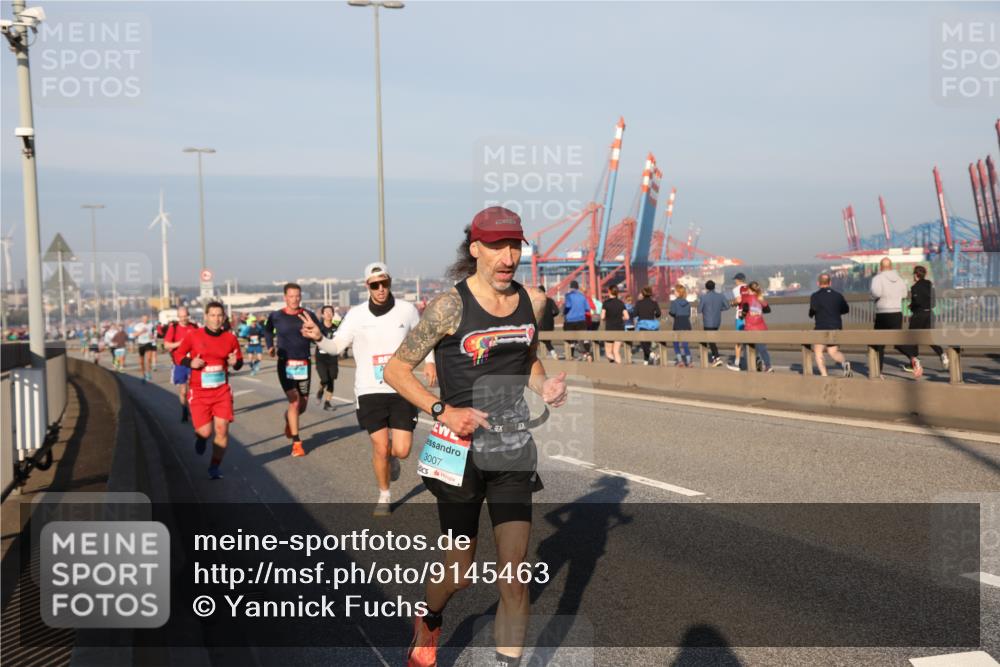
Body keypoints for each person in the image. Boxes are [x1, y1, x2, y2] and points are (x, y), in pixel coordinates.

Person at [382, 206, 567, 667]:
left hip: (511, 450)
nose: (508, 257)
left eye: (515, 246)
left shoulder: (531, 302)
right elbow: (396, 370)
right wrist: (443, 410)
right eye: (498, 246)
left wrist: (544, 385)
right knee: (459, 573)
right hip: (459, 454)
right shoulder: (450, 306)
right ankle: (430, 618)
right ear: (476, 248)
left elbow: (527, 358)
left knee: (514, 577)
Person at [301, 263, 434, 515]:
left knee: (402, 450)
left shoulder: (407, 310)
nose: (381, 288)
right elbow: (336, 347)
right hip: (369, 390)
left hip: (401, 388)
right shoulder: (356, 314)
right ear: (367, 286)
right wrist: (319, 337)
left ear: (390, 282)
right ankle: (384, 495)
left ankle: (391, 459)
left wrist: (430, 362)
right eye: (375, 285)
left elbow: (424, 337)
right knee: (380, 447)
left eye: (385, 283)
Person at [172, 301, 243, 479]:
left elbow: (238, 361)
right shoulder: (194, 335)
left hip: (221, 391)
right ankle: (201, 438)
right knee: (205, 432)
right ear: (205, 316)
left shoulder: (230, 338)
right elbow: (178, 355)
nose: (216, 319)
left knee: (222, 429)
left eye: (219, 315)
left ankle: (214, 467)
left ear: (224, 317)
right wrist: (190, 362)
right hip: (199, 392)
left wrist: (236, 363)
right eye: (212, 315)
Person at [265, 283, 321, 458]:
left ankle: (290, 419)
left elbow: (320, 334)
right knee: (294, 402)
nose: (295, 299)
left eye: (298, 296)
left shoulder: (308, 315)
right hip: (285, 364)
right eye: (291, 296)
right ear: (285, 297)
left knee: (302, 405)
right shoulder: (276, 316)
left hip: (304, 363)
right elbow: (267, 331)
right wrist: (270, 346)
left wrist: (312, 334)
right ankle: (297, 443)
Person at [870, 257, 921, 378]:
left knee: (879, 344)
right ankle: (913, 357)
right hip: (897, 313)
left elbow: (876, 293)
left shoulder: (878, 278)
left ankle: (879, 372)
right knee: (897, 341)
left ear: (881, 267)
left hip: (883, 313)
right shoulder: (899, 279)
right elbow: (904, 294)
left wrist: (874, 297)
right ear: (891, 266)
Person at [808, 273, 852, 377]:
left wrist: (811, 314)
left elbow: (813, 310)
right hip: (835, 327)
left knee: (818, 351)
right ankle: (845, 363)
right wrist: (836, 311)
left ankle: (824, 375)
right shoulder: (838, 295)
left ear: (818, 283)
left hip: (821, 327)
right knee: (833, 352)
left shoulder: (815, 296)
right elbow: (846, 309)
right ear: (830, 283)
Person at [907, 265, 948, 371]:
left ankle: (915, 364)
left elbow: (917, 302)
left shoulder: (914, 287)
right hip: (930, 314)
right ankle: (942, 354)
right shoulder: (930, 285)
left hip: (919, 315)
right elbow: (933, 303)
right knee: (929, 338)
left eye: (914, 274)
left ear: (916, 275)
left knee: (912, 338)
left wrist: (911, 306)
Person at [163, 307, 200, 422]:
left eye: (185, 316)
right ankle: (184, 409)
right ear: (178, 317)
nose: (184, 319)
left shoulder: (194, 327)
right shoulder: (173, 328)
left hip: (193, 362)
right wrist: (181, 343)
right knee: (183, 390)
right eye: (181, 317)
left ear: (188, 315)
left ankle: (194, 410)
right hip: (179, 362)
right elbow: (166, 345)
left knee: (194, 388)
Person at [732, 281, 773, 372]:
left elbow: (744, 311)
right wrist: (758, 311)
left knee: (747, 348)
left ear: (750, 289)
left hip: (750, 328)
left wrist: (742, 315)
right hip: (762, 327)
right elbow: (768, 310)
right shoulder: (760, 298)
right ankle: (768, 366)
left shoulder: (746, 299)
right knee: (762, 349)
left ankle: (747, 367)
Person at [313, 305, 340, 411]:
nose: (328, 314)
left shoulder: (336, 328)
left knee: (331, 380)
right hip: (321, 358)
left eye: (330, 312)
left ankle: (327, 403)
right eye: (326, 312)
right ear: (323, 315)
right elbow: (312, 338)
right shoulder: (319, 328)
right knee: (325, 379)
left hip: (332, 358)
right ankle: (320, 391)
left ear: (333, 314)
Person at [698, 280, 729, 366]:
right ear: (714, 287)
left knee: (710, 340)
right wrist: (719, 309)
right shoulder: (721, 296)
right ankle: (714, 357)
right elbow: (727, 306)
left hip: (708, 322)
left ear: (706, 288)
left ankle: (717, 357)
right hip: (717, 321)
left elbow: (699, 310)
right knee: (711, 340)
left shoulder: (703, 297)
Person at [562, 280, 591, 360]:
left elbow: (568, 306)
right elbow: (587, 309)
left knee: (571, 339)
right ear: (577, 287)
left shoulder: (568, 296)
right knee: (584, 338)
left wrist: (564, 313)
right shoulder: (582, 296)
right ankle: (587, 354)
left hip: (570, 320)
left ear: (570, 287)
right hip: (581, 320)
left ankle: (571, 355)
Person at [600, 286, 628, 364]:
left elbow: (602, 317)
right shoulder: (621, 303)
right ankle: (619, 367)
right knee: (616, 352)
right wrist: (620, 318)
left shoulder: (606, 303)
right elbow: (627, 317)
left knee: (608, 353)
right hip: (620, 329)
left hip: (610, 329)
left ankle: (614, 364)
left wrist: (608, 318)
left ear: (609, 291)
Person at [634, 285, 661, 365]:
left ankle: (653, 355)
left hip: (643, 325)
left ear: (643, 293)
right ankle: (646, 362)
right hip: (652, 326)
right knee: (647, 345)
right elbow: (658, 314)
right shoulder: (654, 303)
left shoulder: (639, 303)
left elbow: (635, 314)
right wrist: (654, 314)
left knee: (643, 345)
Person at [668, 284, 692, 366]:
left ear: (678, 292)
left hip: (678, 323)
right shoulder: (687, 303)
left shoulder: (674, 302)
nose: (674, 292)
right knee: (685, 344)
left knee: (676, 343)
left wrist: (671, 313)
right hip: (686, 323)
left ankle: (680, 360)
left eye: (675, 291)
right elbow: (688, 314)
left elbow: (673, 312)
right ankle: (689, 361)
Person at [535, 285, 560, 360]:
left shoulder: (537, 301)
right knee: (547, 341)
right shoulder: (550, 300)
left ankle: (534, 357)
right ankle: (553, 354)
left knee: (535, 340)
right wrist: (551, 316)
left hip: (540, 324)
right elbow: (557, 311)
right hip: (550, 324)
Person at [730, 272, 749, 369]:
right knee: (749, 338)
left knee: (738, 339)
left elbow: (738, 300)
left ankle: (737, 362)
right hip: (750, 315)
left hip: (740, 315)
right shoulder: (749, 287)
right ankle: (749, 360)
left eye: (735, 280)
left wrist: (732, 303)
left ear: (737, 280)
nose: (735, 282)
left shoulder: (736, 289)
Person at [133, 314, 156, 382]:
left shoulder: (151, 325)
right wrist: (141, 331)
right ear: (141, 319)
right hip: (141, 344)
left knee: (149, 359)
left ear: (148, 319)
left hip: (148, 343)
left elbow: (153, 334)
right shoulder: (138, 326)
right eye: (144, 319)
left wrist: (152, 337)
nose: (145, 320)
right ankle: (143, 374)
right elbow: (134, 334)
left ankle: (148, 373)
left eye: (146, 318)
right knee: (141, 361)